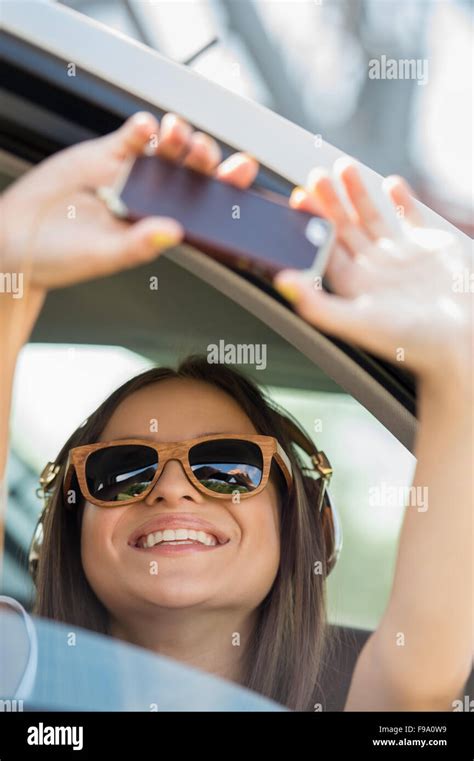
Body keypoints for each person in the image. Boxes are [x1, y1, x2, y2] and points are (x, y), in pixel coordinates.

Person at [0, 111, 471, 711]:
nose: (172, 491)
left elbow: (415, 690)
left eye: (228, 464)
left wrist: (459, 370)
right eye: (121, 470)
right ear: (66, 529)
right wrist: (9, 278)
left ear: (305, 525)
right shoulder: (13, 672)